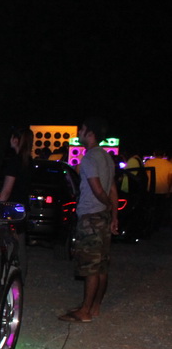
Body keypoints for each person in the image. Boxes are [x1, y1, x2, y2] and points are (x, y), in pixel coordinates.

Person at [59, 117, 117, 323]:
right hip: (103, 217)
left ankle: (84, 312)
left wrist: (106, 205)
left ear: (90, 133)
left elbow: (98, 189)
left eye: (82, 129)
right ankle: (94, 306)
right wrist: (113, 214)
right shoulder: (107, 157)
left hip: (91, 217)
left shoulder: (90, 158)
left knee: (90, 266)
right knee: (101, 265)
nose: (79, 133)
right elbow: (112, 189)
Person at [0, 126, 33, 204]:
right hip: (24, 205)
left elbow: (6, 191)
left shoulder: (14, 161)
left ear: (15, 140)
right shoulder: (29, 161)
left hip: (12, 205)